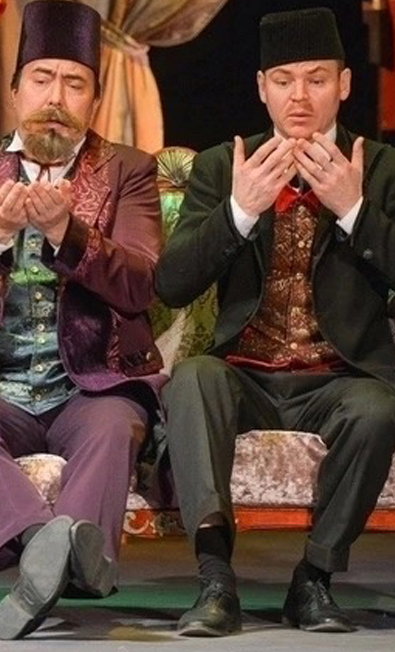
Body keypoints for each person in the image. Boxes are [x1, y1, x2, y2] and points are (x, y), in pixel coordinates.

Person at [155, 6, 395, 637]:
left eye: (317, 79)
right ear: (262, 88)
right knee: (193, 378)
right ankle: (215, 581)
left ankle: (313, 580)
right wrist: (239, 210)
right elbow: (172, 283)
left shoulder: (382, 169)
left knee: (378, 409)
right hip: (247, 374)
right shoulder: (224, 166)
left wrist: (354, 210)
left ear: (344, 84)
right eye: (284, 80)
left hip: (338, 378)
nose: (299, 96)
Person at [0, 0, 164, 640]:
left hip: (90, 387)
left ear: (93, 100)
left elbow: (142, 282)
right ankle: (60, 551)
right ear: (15, 90)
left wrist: (69, 233)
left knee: (116, 427)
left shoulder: (128, 170)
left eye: (74, 84)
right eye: (41, 79)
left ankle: (41, 566)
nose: (55, 98)